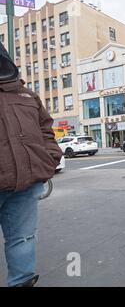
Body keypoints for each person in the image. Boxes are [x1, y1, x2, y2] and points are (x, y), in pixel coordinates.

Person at [0, 42, 62, 287]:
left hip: (24, 187)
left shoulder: (26, 94)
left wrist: (49, 158)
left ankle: (22, 282)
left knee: (23, 239)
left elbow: (46, 129)